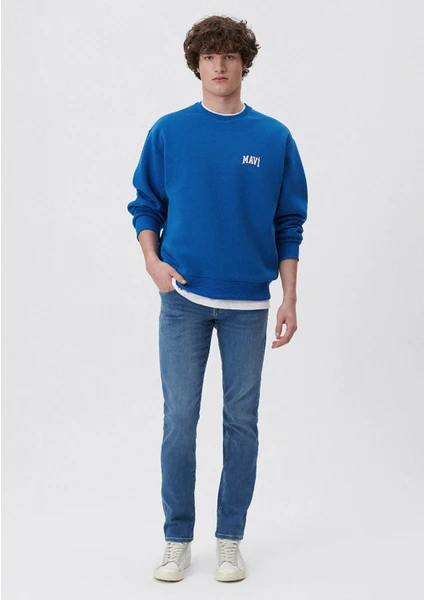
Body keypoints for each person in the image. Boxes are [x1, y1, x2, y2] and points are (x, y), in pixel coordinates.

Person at [127, 14, 308, 583]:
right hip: (182, 299)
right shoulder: (169, 132)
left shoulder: (274, 137)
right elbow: (146, 205)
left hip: (248, 305)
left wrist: (289, 297)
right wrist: (152, 262)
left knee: (241, 422)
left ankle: (229, 539)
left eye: (229, 55)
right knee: (179, 419)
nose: (220, 65)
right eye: (209, 56)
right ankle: (177, 539)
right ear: (197, 65)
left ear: (243, 63)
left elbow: (289, 223)